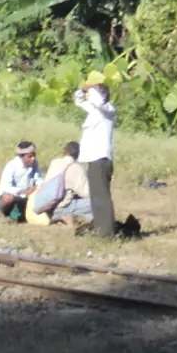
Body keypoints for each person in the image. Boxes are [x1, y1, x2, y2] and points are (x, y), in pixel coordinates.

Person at [76, 83, 116, 237]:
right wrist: (82, 89)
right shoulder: (95, 112)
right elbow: (78, 100)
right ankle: (100, 229)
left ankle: (107, 233)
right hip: (93, 160)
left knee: (102, 198)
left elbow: (99, 101)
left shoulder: (109, 110)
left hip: (101, 159)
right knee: (95, 197)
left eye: (91, 93)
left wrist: (93, 89)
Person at [25, 141, 92, 226]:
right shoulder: (76, 168)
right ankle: (72, 218)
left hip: (47, 206)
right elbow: (86, 193)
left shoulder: (54, 162)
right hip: (61, 208)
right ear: (79, 155)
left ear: (64, 152)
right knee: (96, 203)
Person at [0, 141, 43, 220]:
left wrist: (37, 188)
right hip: (13, 198)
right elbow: (5, 187)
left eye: (34, 155)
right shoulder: (11, 166)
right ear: (21, 156)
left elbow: (39, 180)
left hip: (27, 197)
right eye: (30, 156)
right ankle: (2, 215)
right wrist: (23, 192)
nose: (33, 158)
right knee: (7, 198)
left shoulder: (34, 164)